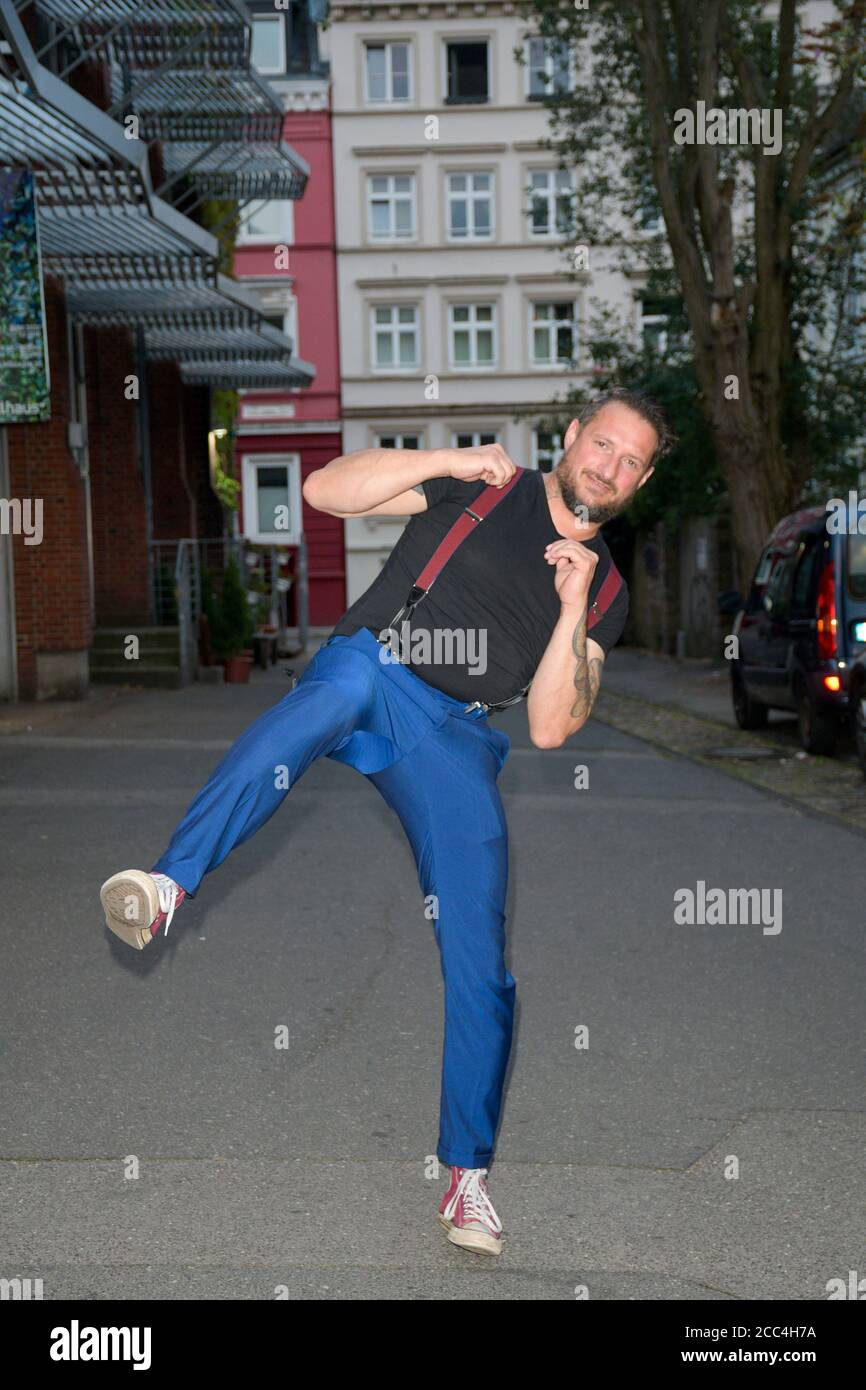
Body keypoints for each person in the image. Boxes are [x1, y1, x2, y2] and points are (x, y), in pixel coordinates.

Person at [99, 387, 672, 1257]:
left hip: (454, 737)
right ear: (572, 437)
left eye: (631, 460)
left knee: (481, 950)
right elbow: (326, 491)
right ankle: (170, 882)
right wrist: (445, 460)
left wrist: (568, 605)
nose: (610, 466)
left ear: (644, 478)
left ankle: (465, 1178)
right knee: (337, 691)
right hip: (379, 663)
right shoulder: (485, 485)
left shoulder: (607, 596)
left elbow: (554, 725)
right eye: (603, 444)